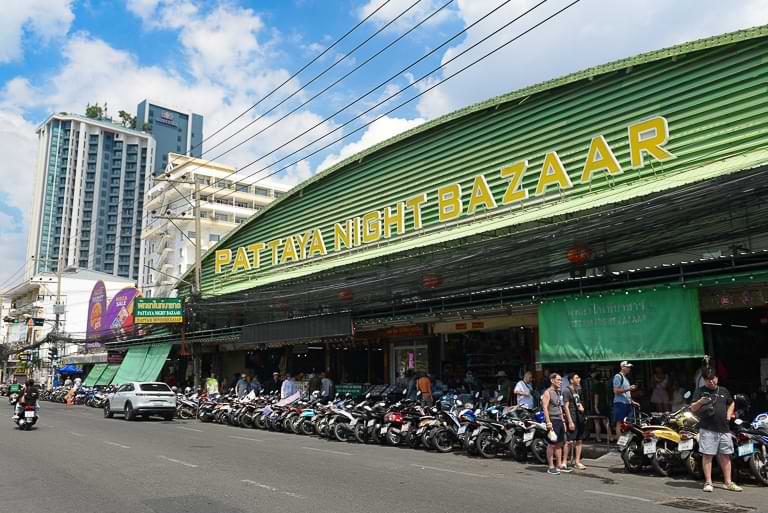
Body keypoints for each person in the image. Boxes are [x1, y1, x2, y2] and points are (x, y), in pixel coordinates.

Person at [690, 367, 742, 493]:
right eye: (708, 380)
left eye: (713, 379)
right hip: (708, 429)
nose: (711, 382)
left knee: (725, 456)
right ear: (704, 380)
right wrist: (700, 402)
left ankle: (728, 482)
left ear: (716, 378)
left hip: (724, 429)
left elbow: (731, 403)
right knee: (708, 455)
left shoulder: (723, 390)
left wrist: (729, 415)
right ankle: (708, 482)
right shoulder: (700, 391)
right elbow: (693, 408)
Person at [542, 373, 570, 475]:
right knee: (551, 444)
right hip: (552, 420)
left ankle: (559, 465)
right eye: (558, 380)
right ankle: (551, 466)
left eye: (561, 380)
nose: (560, 382)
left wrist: (563, 421)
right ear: (552, 380)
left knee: (559, 443)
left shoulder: (558, 392)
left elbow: (559, 407)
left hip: (559, 419)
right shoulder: (547, 392)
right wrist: (548, 422)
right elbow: (545, 408)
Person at [563, 373, 587, 470]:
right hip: (572, 417)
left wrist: (581, 407)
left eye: (579, 377)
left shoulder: (578, 390)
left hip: (579, 417)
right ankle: (564, 461)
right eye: (577, 378)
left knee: (579, 440)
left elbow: (578, 402)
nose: (579, 379)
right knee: (569, 441)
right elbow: (566, 407)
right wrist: (570, 421)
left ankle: (577, 461)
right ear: (571, 380)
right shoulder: (566, 391)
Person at [612, 361, 638, 442]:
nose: (629, 369)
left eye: (629, 367)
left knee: (628, 423)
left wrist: (632, 401)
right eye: (627, 367)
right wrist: (629, 388)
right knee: (619, 423)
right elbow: (616, 391)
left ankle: (626, 442)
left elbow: (626, 393)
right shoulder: (618, 376)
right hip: (620, 403)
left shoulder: (626, 378)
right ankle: (620, 443)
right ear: (623, 367)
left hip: (627, 403)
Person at [589, 372, 613, 443]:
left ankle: (598, 438)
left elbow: (596, 396)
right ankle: (611, 437)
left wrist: (595, 406)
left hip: (598, 405)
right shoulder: (603, 385)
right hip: (604, 405)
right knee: (606, 422)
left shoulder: (595, 386)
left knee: (597, 422)